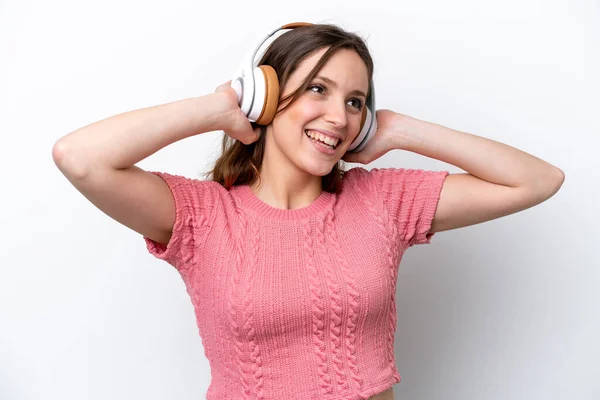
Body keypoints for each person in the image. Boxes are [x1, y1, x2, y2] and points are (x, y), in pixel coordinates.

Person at [52, 22, 564, 400]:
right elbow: (79, 158)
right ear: (267, 96)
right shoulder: (202, 216)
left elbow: (538, 180)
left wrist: (403, 130)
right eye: (318, 89)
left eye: (355, 101)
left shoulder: (382, 202)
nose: (338, 117)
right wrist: (219, 108)